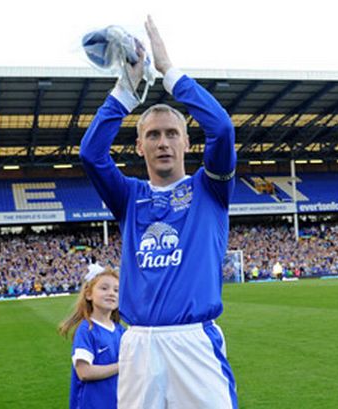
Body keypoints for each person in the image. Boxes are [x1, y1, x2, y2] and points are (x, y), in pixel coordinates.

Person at [80, 15, 237, 409]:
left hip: (193, 343)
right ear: (140, 146)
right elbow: (91, 155)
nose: (163, 142)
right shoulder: (129, 196)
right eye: (153, 134)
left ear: (187, 142)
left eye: (171, 134)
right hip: (138, 345)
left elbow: (222, 129)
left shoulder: (210, 188)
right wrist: (124, 93)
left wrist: (169, 71)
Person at [58, 266, 124, 409]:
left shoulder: (121, 331)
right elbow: (84, 372)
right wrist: (122, 366)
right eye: (104, 288)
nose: (111, 293)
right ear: (89, 294)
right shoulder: (87, 330)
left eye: (116, 290)